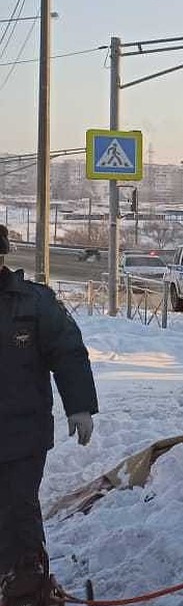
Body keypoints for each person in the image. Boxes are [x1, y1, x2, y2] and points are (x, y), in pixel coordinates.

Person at [0, 224, 98, 579]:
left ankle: (25, 589)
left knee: (18, 511)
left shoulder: (34, 303)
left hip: (22, 434)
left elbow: (68, 352)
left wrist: (80, 406)